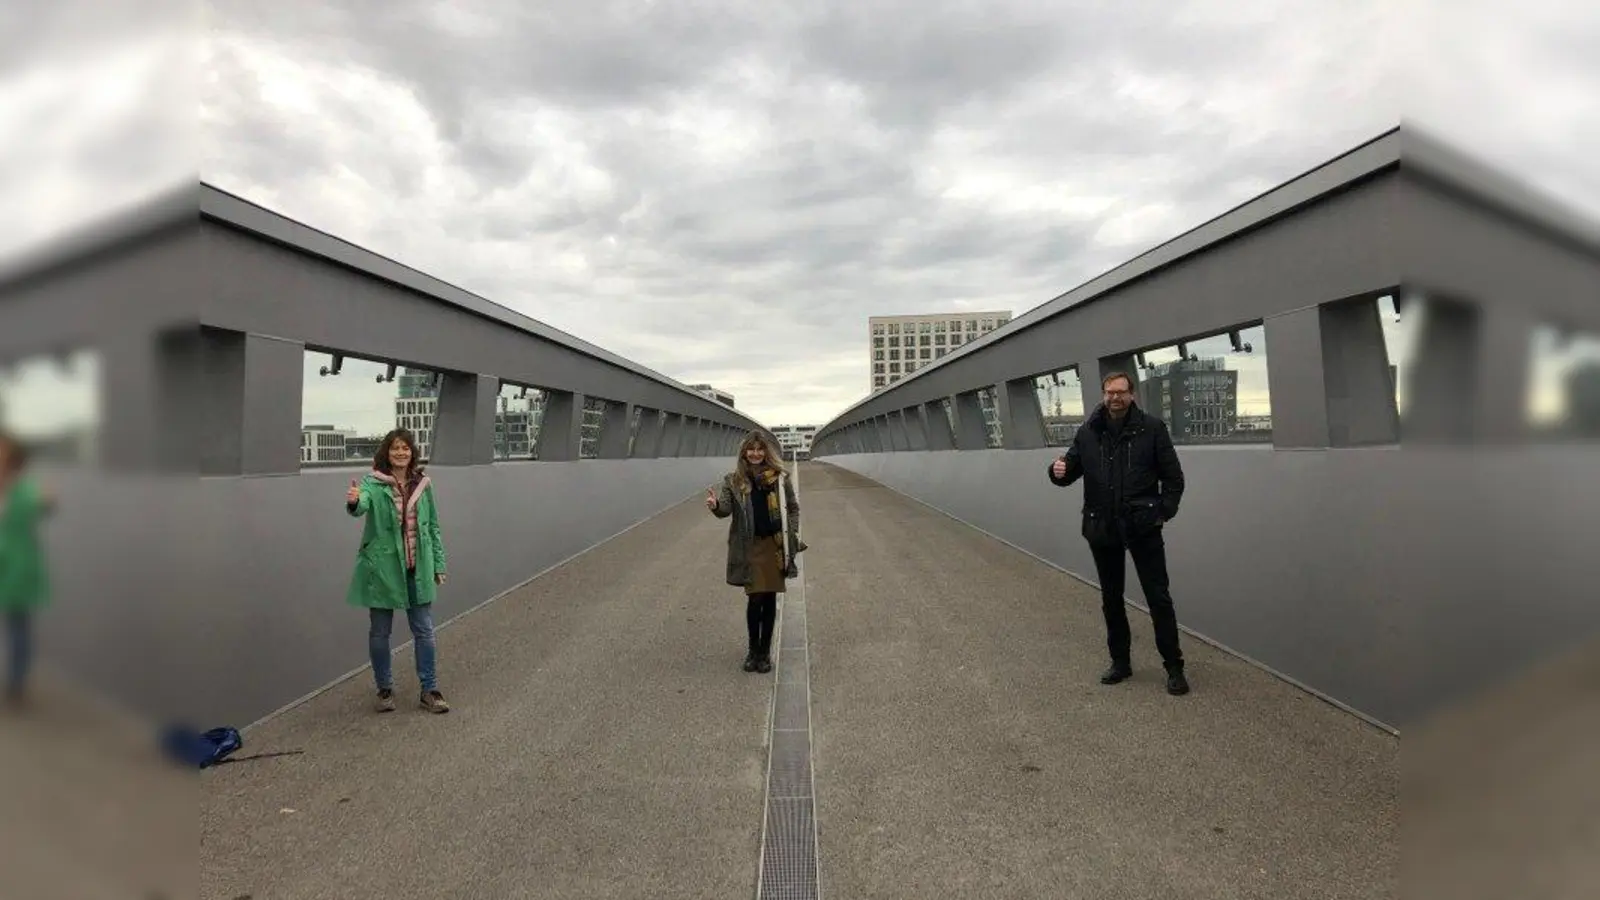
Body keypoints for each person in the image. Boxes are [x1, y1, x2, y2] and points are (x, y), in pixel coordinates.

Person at [1048, 372, 1190, 695]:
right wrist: (1056, 471)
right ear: (1103, 395)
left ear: (1132, 395)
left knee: (1158, 598)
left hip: (1143, 527)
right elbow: (1068, 470)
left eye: (1121, 392)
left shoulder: (1152, 429)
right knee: (1111, 599)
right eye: (1110, 392)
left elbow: (1174, 480)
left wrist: (1160, 513)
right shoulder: (1088, 433)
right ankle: (1120, 663)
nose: (1115, 398)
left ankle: (1173, 666)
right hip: (1103, 527)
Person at [346, 428, 450, 713]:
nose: (401, 452)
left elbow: (434, 528)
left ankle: (429, 689)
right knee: (380, 631)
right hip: (382, 569)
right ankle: (384, 689)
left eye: (405, 448)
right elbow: (360, 505)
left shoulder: (423, 484)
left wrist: (439, 564)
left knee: (425, 631)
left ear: (412, 452)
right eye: (395, 448)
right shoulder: (372, 483)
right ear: (386, 453)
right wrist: (354, 500)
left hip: (418, 567)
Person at [707, 432, 803, 674]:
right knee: (755, 599)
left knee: (769, 599)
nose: (756, 453)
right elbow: (726, 510)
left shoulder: (780, 479)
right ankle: (752, 651)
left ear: (766, 452)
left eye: (760, 449)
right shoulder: (733, 481)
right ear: (744, 453)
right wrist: (715, 505)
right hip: (750, 548)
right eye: (751, 449)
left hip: (773, 546)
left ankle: (764, 653)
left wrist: (790, 532)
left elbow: (792, 508)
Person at [0, 430, 53, 706]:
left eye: (4, 451)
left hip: (17, 567)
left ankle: (16, 684)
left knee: (18, 627)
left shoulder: (24, 487)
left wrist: (47, 499)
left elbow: (44, 503)